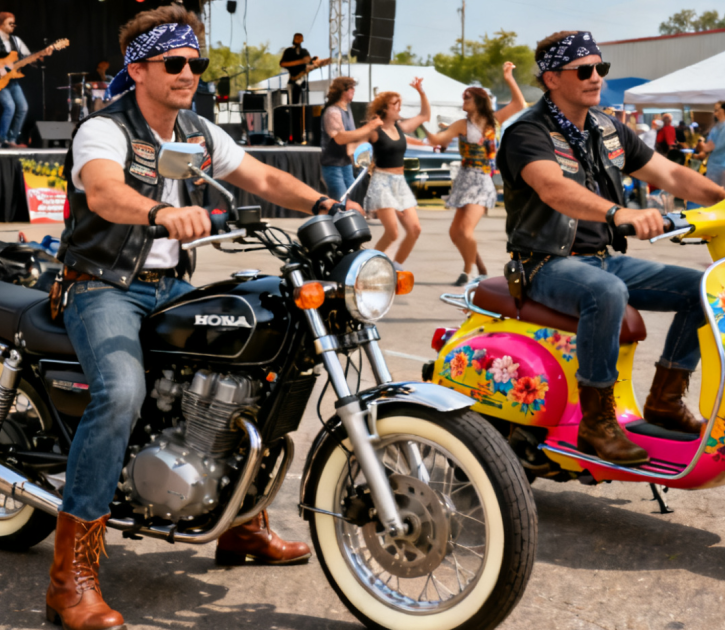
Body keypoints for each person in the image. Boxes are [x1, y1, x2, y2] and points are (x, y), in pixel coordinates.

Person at [50, 8, 346, 629]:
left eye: (196, 63)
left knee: (260, 356)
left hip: (170, 285)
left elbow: (260, 175)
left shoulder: (198, 130)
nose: (189, 74)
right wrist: (159, 213)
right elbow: (103, 192)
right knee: (122, 393)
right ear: (139, 69)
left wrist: (324, 203)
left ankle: (239, 524)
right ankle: (69, 577)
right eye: (174, 63)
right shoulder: (104, 129)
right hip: (102, 286)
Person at [498, 30, 725, 465]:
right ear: (551, 79)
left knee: (706, 288)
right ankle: (597, 423)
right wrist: (616, 213)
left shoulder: (608, 129)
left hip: (606, 260)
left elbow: (672, 175)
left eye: (600, 68)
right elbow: (551, 187)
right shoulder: (527, 132)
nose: (596, 77)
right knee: (605, 292)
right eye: (583, 69)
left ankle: (664, 402)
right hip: (545, 263)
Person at [425, 61, 527, 286]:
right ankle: (480, 268)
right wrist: (423, 125)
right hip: (464, 179)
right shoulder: (461, 124)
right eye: (463, 97)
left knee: (464, 230)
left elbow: (519, 103)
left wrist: (508, 77)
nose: (463, 100)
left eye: (467, 97)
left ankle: (466, 272)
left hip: (482, 181)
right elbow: (438, 140)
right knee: (456, 233)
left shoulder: (493, 120)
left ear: (479, 101)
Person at [362, 79, 430, 268]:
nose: (399, 107)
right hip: (382, 181)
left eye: (400, 103)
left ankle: (396, 266)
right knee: (392, 233)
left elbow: (425, 115)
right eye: (395, 104)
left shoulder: (400, 127)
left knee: (415, 229)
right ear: (384, 108)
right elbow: (356, 143)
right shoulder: (375, 130)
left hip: (400, 182)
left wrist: (421, 92)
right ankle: (368, 266)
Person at [0, 12, 50, 147]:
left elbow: (27, 57)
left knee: (23, 107)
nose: (13, 25)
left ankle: (12, 139)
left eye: (14, 22)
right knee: (10, 106)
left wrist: (40, 55)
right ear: (1, 24)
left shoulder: (16, 40)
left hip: (12, 80)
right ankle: (3, 140)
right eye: (10, 23)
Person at [320, 76, 379, 201]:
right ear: (342, 91)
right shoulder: (333, 112)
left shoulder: (347, 109)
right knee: (341, 201)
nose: (354, 90)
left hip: (345, 163)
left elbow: (352, 138)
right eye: (350, 88)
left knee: (352, 199)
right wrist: (368, 127)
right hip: (333, 165)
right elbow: (340, 138)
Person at [279, 33, 316, 105]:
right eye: (297, 38)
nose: (298, 40)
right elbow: (282, 63)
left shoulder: (304, 51)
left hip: (303, 80)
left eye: (300, 38)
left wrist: (312, 62)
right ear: (294, 39)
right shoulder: (289, 51)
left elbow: (310, 64)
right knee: (293, 103)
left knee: (305, 102)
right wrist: (301, 61)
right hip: (293, 80)